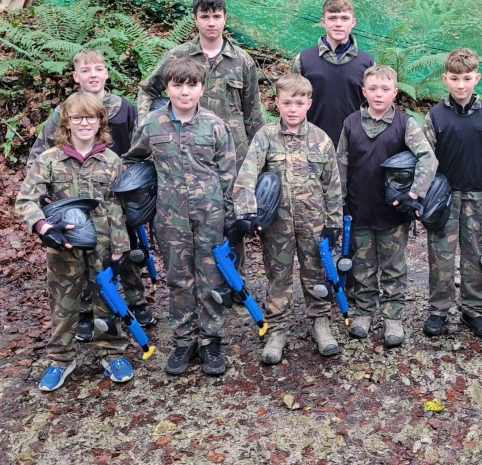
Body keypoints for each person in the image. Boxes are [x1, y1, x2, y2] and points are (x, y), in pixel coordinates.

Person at [26, 50, 152, 344]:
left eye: (98, 69)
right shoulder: (64, 111)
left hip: (118, 191)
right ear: (76, 77)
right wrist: (43, 196)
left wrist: (137, 184)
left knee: (125, 249)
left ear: (106, 73)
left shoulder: (125, 108)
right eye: (85, 70)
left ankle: (136, 301)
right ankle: (84, 312)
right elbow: (40, 153)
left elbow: (142, 146)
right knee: (79, 250)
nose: (92, 75)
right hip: (74, 196)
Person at [136, 0, 263, 273]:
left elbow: (253, 113)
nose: (211, 22)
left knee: (232, 224)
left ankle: (234, 283)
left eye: (216, 16)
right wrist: (148, 125)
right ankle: (194, 283)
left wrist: (259, 161)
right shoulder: (179, 56)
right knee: (188, 226)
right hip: (186, 157)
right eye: (205, 16)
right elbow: (147, 90)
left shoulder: (242, 61)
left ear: (225, 18)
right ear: (195, 19)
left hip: (232, 158)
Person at [124, 57, 236, 376]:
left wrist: (231, 218)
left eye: (191, 85)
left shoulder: (215, 125)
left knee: (211, 278)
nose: (184, 92)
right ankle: (184, 340)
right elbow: (133, 161)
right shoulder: (152, 124)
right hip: (169, 217)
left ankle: (211, 340)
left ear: (202, 88)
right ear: (167, 88)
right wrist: (138, 198)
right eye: (177, 85)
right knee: (178, 279)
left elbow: (228, 174)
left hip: (210, 217)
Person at [16, 92, 134, 391]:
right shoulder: (49, 160)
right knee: (63, 304)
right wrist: (44, 227)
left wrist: (120, 248)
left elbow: (117, 208)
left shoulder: (112, 161)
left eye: (91, 117)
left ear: (100, 121)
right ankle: (60, 359)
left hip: (103, 245)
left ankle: (113, 353)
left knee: (107, 299)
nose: (84, 123)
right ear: (66, 122)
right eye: (77, 118)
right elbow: (26, 199)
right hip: (63, 245)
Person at [233, 74, 343, 364]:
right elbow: (247, 175)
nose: (292, 109)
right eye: (286, 103)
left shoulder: (321, 139)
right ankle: (277, 330)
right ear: (277, 103)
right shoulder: (265, 137)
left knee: (316, 273)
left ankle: (320, 323)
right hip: (277, 225)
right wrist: (247, 210)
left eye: (298, 103)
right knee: (277, 276)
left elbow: (332, 184)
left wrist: (334, 222)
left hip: (313, 223)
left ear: (309, 103)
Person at [336, 65, 436, 348]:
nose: (379, 94)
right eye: (373, 89)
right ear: (364, 92)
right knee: (362, 265)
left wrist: (414, 193)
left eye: (385, 89)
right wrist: (340, 203)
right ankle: (364, 311)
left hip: (393, 210)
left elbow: (428, 158)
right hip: (359, 208)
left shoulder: (405, 123)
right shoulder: (351, 123)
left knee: (393, 266)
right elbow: (340, 165)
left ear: (394, 92)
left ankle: (393, 316)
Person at [422, 49, 482, 338]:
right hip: (445, 197)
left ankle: (472, 310)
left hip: (478, 196)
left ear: (477, 78)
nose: (461, 84)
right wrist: (425, 196)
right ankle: (438, 309)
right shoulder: (435, 115)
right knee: (440, 254)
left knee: (476, 254)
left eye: (467, 78)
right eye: (454, 78)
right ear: (445, 79)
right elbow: (425, 159)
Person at [291, 0, 374, 145]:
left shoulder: (368, 63)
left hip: (354, 145)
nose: (338, 24)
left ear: (353, 22)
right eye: (332, 18)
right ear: (323, 22)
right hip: (311, 144)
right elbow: (292, 104)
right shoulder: (303, 60)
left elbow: (375, 108)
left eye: (344, 18)